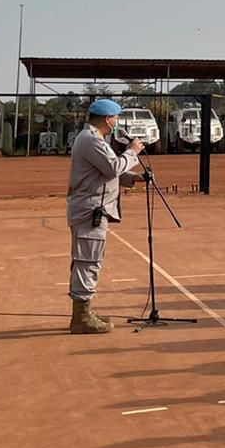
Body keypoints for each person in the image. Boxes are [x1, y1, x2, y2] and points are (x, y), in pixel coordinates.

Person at [64, 99, 143, 336]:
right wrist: (133, 152)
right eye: (116, 118)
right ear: (108, 119)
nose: (117, 122)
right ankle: (81, 317)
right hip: (90, 210)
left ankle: (85, 311)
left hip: (94, 209)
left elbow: (106, 171)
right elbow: (111, 167)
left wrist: (131, 178)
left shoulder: (94, 139)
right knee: (87, 261)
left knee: (89, 260)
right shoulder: (91, 140)